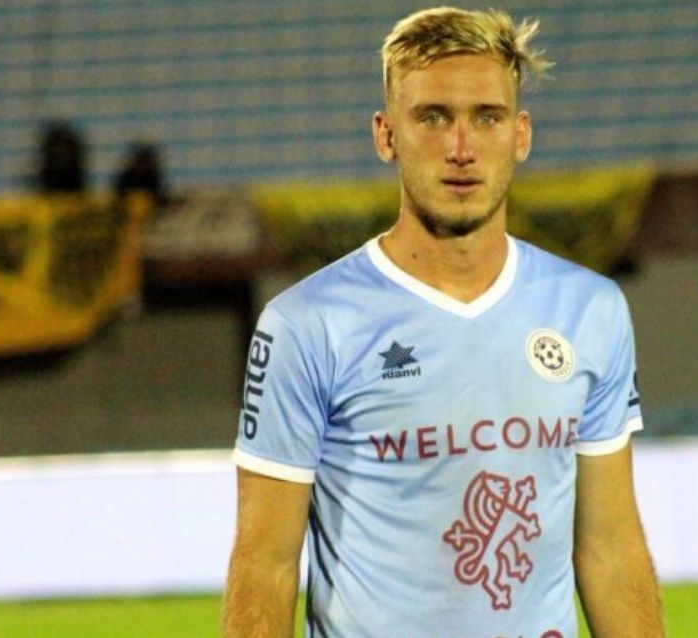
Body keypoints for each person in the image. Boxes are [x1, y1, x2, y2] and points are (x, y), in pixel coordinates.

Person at [223, 7, 664, 637]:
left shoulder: (590, 309)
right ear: (386, 136)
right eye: (432, 118)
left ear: (521, 135)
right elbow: (264, 565)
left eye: (487, 117)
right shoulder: (307, 325)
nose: (461, 149)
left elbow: (611, 549)